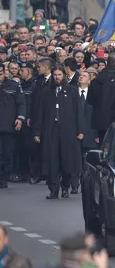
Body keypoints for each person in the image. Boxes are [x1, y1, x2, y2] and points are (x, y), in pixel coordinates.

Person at [32, 66, 85, 200]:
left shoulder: (72, 91)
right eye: (55, 75)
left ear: (64, 76)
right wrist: (37, 132)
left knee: (66, 159)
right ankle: (53, 189)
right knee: (52, 160)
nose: (57, 77)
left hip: (68, 131)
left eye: (59, 75)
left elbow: (79, 112)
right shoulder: (46, 92)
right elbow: (39, 113)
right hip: (51, 130)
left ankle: (65, 187)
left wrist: (80, 130)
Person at [0, 64, 25, 189]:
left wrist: (20, 118)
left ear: (4, 72)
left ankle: (4, 177)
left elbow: (21, 103)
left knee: (7, 153)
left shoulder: (14, 86)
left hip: (8, 125)